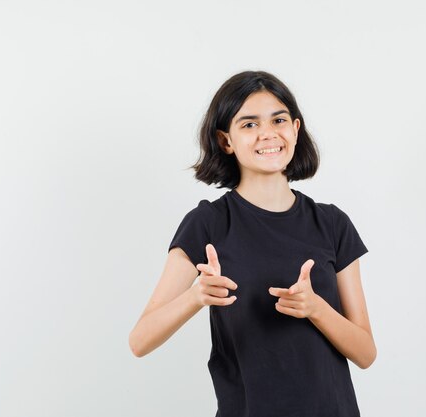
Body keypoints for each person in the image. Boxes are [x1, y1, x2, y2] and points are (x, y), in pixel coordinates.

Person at [129, 70, 376, 417]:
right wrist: (195, 296)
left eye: (278, 120)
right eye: (248, 124)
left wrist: (316, 309)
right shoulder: (208, 224)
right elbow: (140, 341)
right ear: (225, 140)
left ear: (295, 129)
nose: (267, 134)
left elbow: (365, 353)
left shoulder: (332, 223)